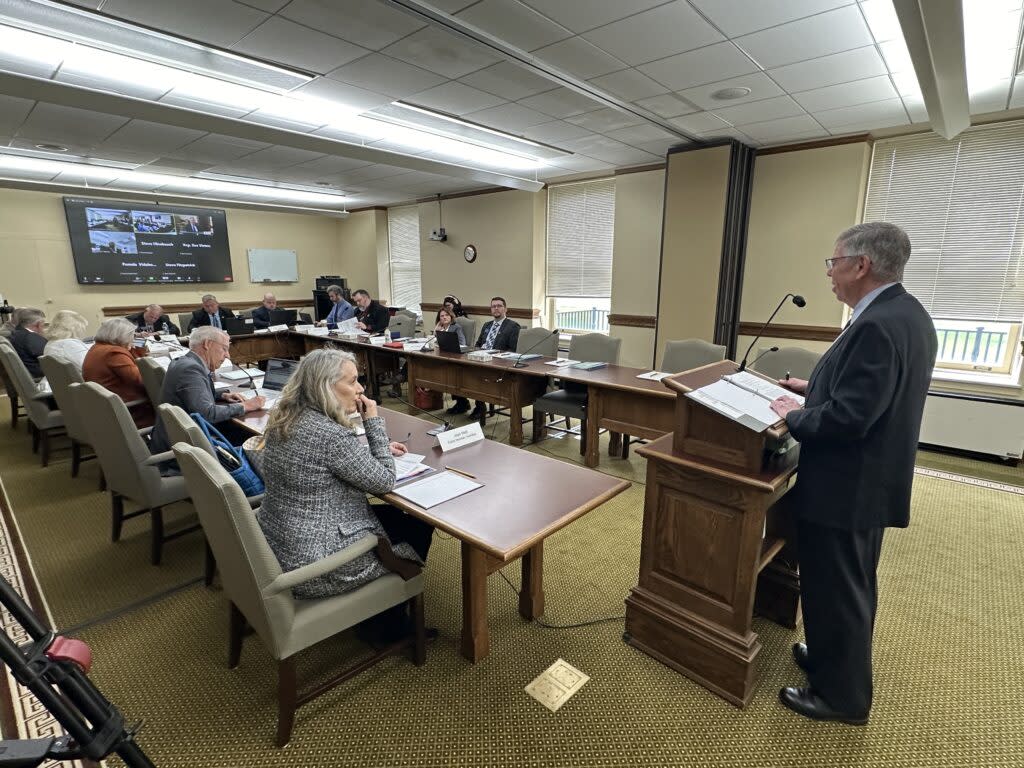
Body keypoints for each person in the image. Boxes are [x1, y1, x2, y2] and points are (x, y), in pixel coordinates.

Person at [768, 222, 937, 726]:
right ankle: (828, 658)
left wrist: (794, 413)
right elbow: (870, 392)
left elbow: (850, 418)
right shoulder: (905, 314)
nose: (829, 274)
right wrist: (810, 387)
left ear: (860, 265)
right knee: (846, 583)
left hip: (848, 485)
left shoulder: (875, 324)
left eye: (833, 262)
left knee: (838, 587)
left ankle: (841, 697)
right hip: (867, 481)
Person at [257, 348, 433, 607]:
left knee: (394, 518)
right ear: (324, 386)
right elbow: (385, 480)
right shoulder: (331, 435)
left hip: (282, 544)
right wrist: (372, 422)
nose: (361, 388)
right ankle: (389, 619)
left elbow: (321, 459)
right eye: (352, 381)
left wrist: (373, 449)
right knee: (418, 524)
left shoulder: (286, 415)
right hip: (320, 563)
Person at [148, 326, 265, 455]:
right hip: (183, 449)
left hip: (177, 437)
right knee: (253, 439)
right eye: (224, 349)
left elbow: (190, 395)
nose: (228, 355)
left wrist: (222, 395)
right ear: (207, 344)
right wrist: (246, 405)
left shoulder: (183, 361)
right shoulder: (191, 369)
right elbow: (207, 413)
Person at [82, 318, 155, 428]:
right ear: (122, 335)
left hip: (105, 406)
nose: (133, 337)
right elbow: (142, 380)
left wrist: (138, 344)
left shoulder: (98, 347)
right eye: (131, 335)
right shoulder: (114, 353)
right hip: (128, 409)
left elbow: (137, 362)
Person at [469, 297, 520, 420]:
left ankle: (480, 408)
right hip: (481, 358)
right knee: (466, 371)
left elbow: (513, 351)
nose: (496, 308)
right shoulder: (487, 325)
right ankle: (476, 405)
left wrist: (494, 355)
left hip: (497, 362)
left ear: (505, 309)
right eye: (493, 306)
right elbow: (479, 343)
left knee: (478, 376)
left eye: (499, 306)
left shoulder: (513, 326)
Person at [433, 309, 471, 414]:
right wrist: (436, 331)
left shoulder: (456, 327)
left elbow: (462, 343)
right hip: (443, 357)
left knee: (451, 376)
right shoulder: (440, 328)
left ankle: (461, 402)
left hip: (455, 358)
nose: (444, 317)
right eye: (442, 316)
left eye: (446, 315)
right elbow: (434, 343)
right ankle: (461, 402)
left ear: (451, 317)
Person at [9, 308, 47, 379]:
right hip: (40, 376)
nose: (43, 328)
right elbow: (50, 355)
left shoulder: (16, 333)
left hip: (27, 373)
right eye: (43, 325)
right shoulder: (30, 337)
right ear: (38, 325)